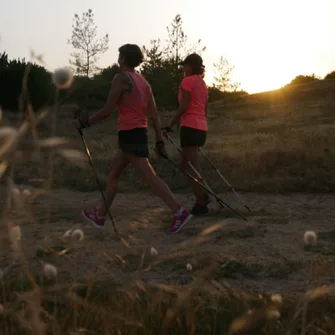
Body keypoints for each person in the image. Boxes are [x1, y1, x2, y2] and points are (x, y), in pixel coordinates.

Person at [72, 44, 192, 234]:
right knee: (114, 175)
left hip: (130, 134)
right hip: (138, 133)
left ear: (123, 58)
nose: (117, 58)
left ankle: (179, 212)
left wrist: (85, 122)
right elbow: (154, 115)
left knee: (149, 177)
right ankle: (100, 216)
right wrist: (159, 140)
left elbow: (107, 110)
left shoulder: (121, 79)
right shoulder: (144, 82)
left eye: (119, 55)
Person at [163, 53, 210, 216]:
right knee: (187, 164)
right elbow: (205, 109)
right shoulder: (203, 84)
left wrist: (169, 126)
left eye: (184, 66)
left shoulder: (187, 81)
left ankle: (201, 203)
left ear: (190, 66)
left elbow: (183, 107)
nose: (183, 69)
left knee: (190, 166)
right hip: (201, 126)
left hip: (190, 126)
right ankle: (202, 195)